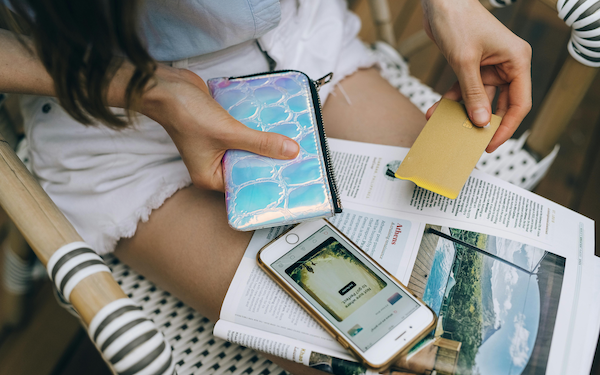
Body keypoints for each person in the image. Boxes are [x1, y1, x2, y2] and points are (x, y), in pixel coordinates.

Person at [0, 0, 531, 373]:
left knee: (475, 273)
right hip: (108, 113)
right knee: (374, 358)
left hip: (299, 51)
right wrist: (149, 91)